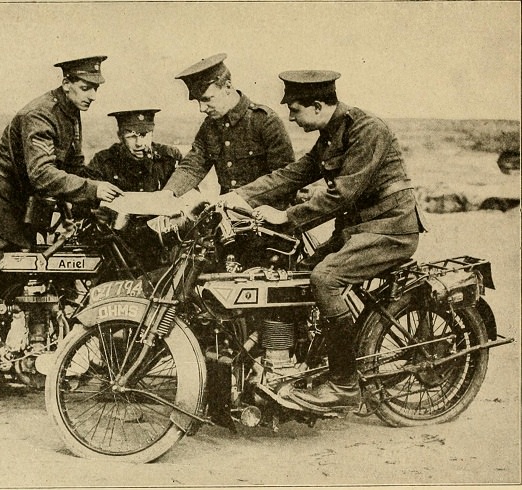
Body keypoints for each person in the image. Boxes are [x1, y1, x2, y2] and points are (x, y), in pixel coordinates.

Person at [227, 70, 427, 412]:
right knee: (298, 276)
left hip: (390, 229)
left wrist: (287, 216)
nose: (289, 116)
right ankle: (296, 369)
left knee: (325, 279)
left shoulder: (367, 130)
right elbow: (294, 174)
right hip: (359, 230)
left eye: (294, 109)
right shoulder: (332, 133)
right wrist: (238, 196)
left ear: (318, 106)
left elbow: (343, 194)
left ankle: (345, 385)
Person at [0, 56, 123, 420]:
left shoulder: (71, 113)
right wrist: (92, 190)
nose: (93, 95)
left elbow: (73, 167)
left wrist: (99, 198)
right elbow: (42, 174)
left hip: (20, 219)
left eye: (96, 88)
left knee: (14, 290)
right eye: (87, 87)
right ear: (68, 83)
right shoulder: (38, 114)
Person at [160, 53, 295, 207]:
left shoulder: (264, 120)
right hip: (227, 213)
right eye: (198, 101)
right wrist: (168, 193)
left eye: (207, 99)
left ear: (228, 87)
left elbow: (285, 180)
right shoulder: (210, 126)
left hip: (265, 213)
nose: (201, 108)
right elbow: (193, 165)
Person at [87, 109, 182, 271]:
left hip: (160, 245)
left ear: (152, 133)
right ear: (120, 136)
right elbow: (87, 203)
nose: (139, 143)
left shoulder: (169, 158)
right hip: (118, 248)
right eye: (131, 136)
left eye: (144, 135)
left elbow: (190, 198)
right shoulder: (103, 162)